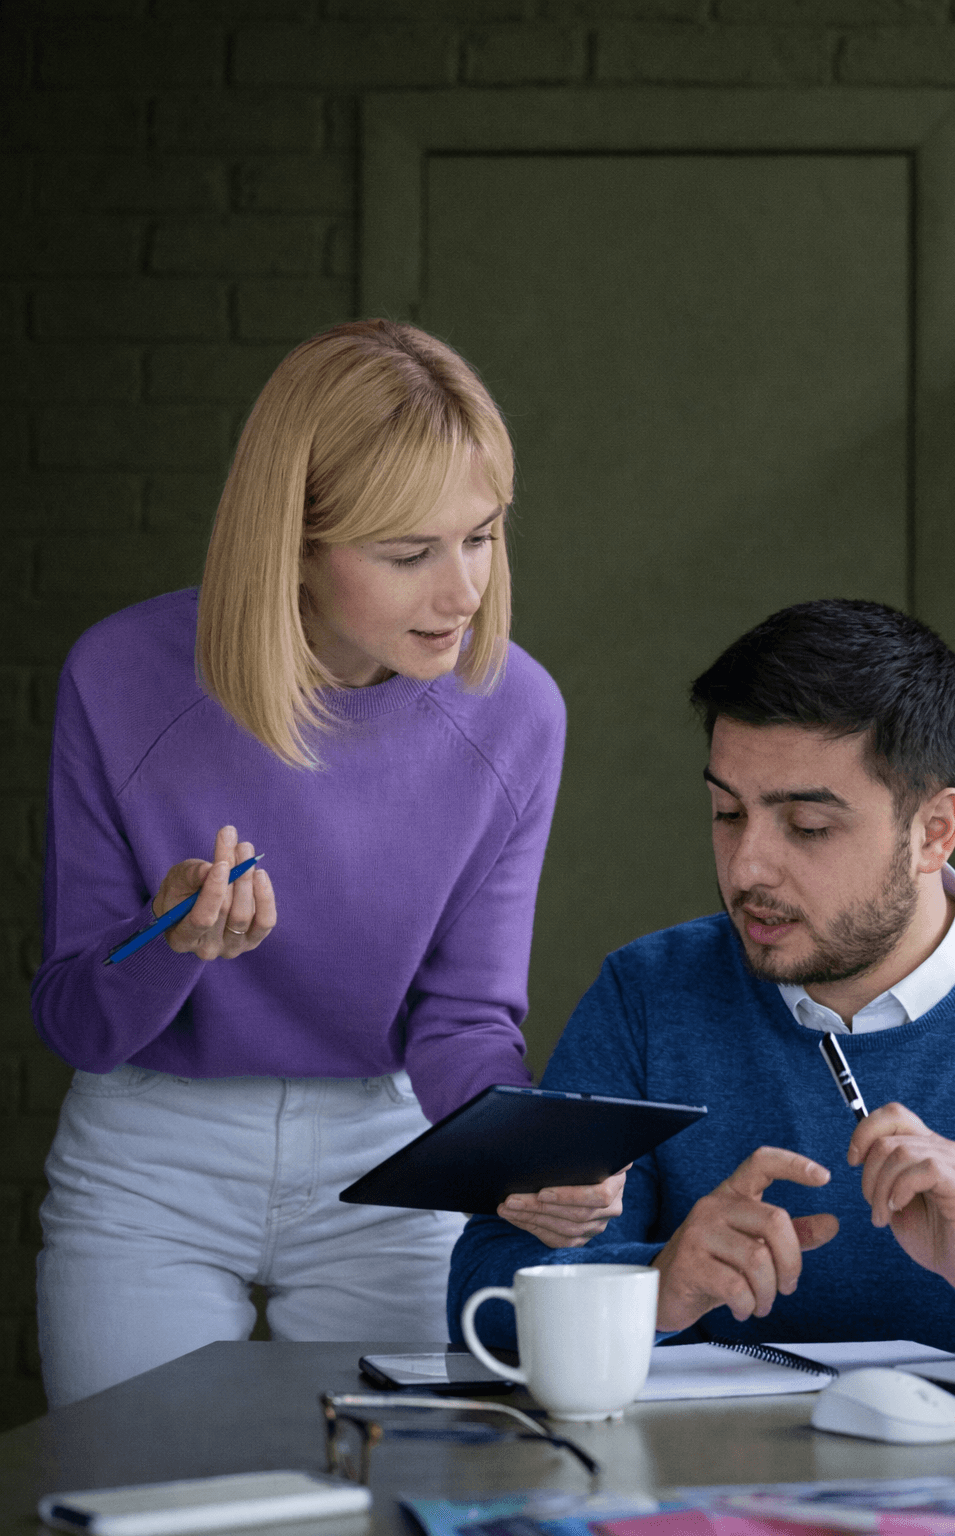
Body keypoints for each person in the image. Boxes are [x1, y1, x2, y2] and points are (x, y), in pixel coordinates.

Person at [32, 319, 623, 1409]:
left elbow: (463, 1019)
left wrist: (521, 1158)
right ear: (293, 544)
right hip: (151, 1156)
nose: (463, 593)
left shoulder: (518, 712)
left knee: (403, 1484)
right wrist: (170, 941)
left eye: (483, 537)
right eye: (409, 554)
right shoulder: (118, 676)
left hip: (388, 1150)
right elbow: (74, 1020)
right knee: (138, 1487)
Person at [450, 599, 955, 1354]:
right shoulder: (647, 995)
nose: (747, 867)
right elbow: (482, 1291)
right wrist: (654, 1287)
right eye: (727, 813)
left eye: (808, 827)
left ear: (933, 833)